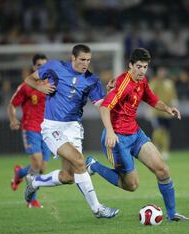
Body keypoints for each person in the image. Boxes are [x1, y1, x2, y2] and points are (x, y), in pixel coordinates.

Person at [86, 48, 189, 222]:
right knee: (132, 185)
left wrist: (167, 108)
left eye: (145, 66)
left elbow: (151, 98)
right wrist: (111, 132)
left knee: (163, 170)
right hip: (117, 139)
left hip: (135, 134)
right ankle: (93, 165)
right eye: (139, 66)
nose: (142, 70)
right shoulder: (122, 84)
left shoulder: (142, 81)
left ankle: (172, 214)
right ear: (130, 65)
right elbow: (105, 107)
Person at [23, 44, 119, 219]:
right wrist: (40, 87)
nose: (85, 64)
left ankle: (34, 181)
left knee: (68, 176)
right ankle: (97, 208)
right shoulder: (55, 67)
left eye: (88, 60)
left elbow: (101, 105)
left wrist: (110, 93)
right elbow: (29, 79)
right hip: (52, 126)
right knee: (80, 161)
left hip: (73, 127)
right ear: (73, 58)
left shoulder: (92, 80)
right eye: (82, 59)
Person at [8, 53, 49, 208]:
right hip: (31, 128)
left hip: (47, 130)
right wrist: (13, 119)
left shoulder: (50, 85)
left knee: (42, 168)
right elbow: (12, 104)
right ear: (34, 67)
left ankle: (19, 174)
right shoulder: (26, 87)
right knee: (37, 163)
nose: (42, 68)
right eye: (39, 65)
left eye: (45, 65)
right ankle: (31, 200)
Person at [149, 67, 178, 161]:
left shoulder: (169, 83)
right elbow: (149, 96)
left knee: (166, 131)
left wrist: (174, 102)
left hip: (167, 112)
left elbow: (173, 94)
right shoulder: (154, 83)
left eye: (163, 72)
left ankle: (165, 151)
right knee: (158, 130)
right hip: (156, 111)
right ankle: (156, 149)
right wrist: (149, 109)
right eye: (160, 72)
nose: (162, 74)